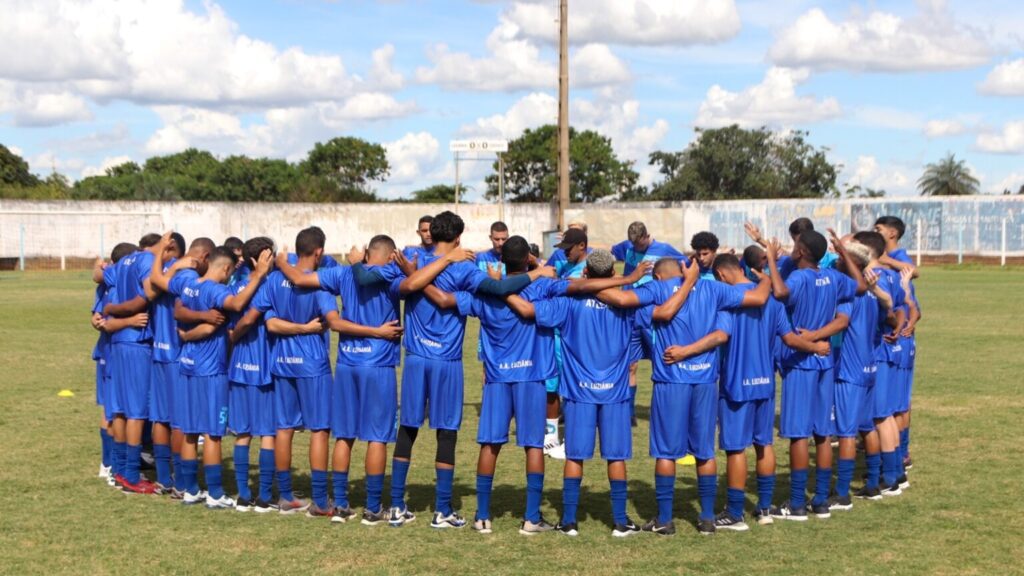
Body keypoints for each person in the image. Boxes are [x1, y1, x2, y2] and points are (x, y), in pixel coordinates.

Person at [430, 237, 649, 535]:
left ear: (501, 260)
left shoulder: (484, 291)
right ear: (529, 259)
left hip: (497, 379)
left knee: (490, 445)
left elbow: (444, 300)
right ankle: (531, 517)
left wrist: (412, 278)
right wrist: (630, 278)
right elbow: (578, 287)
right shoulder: (543, 287)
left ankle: (482, 517)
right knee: (534, 445)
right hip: (533, 378)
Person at [389, 211, 554, 529]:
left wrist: (430, 268)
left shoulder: (411, 261)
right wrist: (537, 274)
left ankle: (396, 505)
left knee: (407, 430)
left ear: (431, 233)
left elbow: (409, 286)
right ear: (458, 238)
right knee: (446, 433)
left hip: (416, 360)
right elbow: (497, 290)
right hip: (447, 362)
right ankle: (442, 510)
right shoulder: (463, 267)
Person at [505, 249, 641, 537]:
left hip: (579, 391)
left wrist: (498, 290)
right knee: (616, 457)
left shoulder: (568, 302)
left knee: (574, 457)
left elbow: (529, 310)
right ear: (613, 275)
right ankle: (620, 521)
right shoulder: (626, 303)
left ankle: (569, 521)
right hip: (615, 392)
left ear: (586, 275)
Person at [275, 235, 407, 525]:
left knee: (344, 435)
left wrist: (282, 263)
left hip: (347, 362)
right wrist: (377, 332)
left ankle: (341, 504)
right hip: (378, 363)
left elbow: (300, 278)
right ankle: (373, 508)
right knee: (377, 436)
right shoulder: (389, 273)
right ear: (387, 256)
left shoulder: (342, 273)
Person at [711, 253, 831, 530]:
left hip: (736, 385)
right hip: (765, 383)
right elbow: (790, 339)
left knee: (735, 449)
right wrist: (817, 347)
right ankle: (764, 508)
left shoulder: (727, 300)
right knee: (763, 444)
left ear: (720, 274)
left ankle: (735, 513)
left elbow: (720, 336)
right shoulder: (774, 302)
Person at [765, 229, 866, 521]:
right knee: (822, 433)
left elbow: (781, 292)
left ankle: (796, 503)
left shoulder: (799, 277)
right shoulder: (833, 277)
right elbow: (860, 285)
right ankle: (820, 500)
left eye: (796, 244)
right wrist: (843, 252)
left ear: (801, 252)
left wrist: (772, 260)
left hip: (802, 361)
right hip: (825, 361)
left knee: (798, 434)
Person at [164, 240, 273, 508]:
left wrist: (187, 334)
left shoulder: (189, 284)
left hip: (186, 365)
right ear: (224, 268)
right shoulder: (214, 290)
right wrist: (258, 275)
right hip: (210, 369)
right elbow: (236, 305)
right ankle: (214, 493)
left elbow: (178, 309)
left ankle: (190, 489)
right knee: (213, 432)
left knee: (190, 431)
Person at [252, 227, 338, 515]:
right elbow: (332, 320)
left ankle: (286, 496)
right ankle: (320, 501)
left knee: (284, 428)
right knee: (319, 429)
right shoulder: (318, 283)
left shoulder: (275, 280)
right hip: (312, 362)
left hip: (282, 361)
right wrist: (308, 327)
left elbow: (270, 323)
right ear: (319, 252)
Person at [828, 233, 900, 508]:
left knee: (846, 432)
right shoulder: (872, 294)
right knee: (866, 426)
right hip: (870, 367)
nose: (834, 266)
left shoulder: (850, 292)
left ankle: (842, 492)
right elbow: (889, 320)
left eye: (838, 262)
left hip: (850, 369)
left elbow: (840, 324)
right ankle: (872, 482)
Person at [149, 236, 217, 498]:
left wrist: (163, 257)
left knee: (161, 418)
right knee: (180, 422)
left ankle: (165, 478)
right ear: (205, 258)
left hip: (159, 351)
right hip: (179, 354)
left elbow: (154, 282)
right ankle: (180, 481)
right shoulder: (188, 278)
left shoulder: (168, 273)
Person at [610, 221, 688, 428]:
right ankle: (629, 413)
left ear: (646, 236)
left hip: (654, 313)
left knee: (660, 361)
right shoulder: (626, 247)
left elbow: (685, 267)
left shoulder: (664, 250)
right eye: (633, 245)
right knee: (630, 364)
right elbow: (609, 252)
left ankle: (663, 410)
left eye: (639, 245)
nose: (636, 248)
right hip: (632, 312)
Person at [224, 237, 278, 512]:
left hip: (239, 366)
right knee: (267, 433)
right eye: (271, 255)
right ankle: (264, 496)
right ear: (260, 260)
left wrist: (232, 338)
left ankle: (244, 494)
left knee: (242, 433)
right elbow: (247, 320)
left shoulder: (235, 284)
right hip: (264, 365)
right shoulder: (268, 284)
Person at [90, 242, 144, 485]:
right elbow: (100, 321)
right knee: (118, 410)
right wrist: (130, 320)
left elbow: (97, 318)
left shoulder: (108, 283)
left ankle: (112, 465)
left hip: (109, 352)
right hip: (114, 352)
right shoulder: (117, 286)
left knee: (114, 409)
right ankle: (112, 465)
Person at [874, 215, 920, 474]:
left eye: (878, 229)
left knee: (892, 405)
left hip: (897, 340)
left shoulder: (897, 259)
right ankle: (900, 452)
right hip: (902, 336)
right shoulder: (891, 270)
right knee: (898, 401)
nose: (875, 231)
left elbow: (914, 271)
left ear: (892, 233)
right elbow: (914, 307)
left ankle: (899, 453)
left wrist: (887, 261)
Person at [543, 227, 590, 460]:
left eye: (567, 249)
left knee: (572, 389)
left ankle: (571, 441)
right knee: (551, 386)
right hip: (558, 337)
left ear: (582, 246)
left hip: (574, 339)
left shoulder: (587, 271)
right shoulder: (568, 266)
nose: (564, 254)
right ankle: (551, 438)